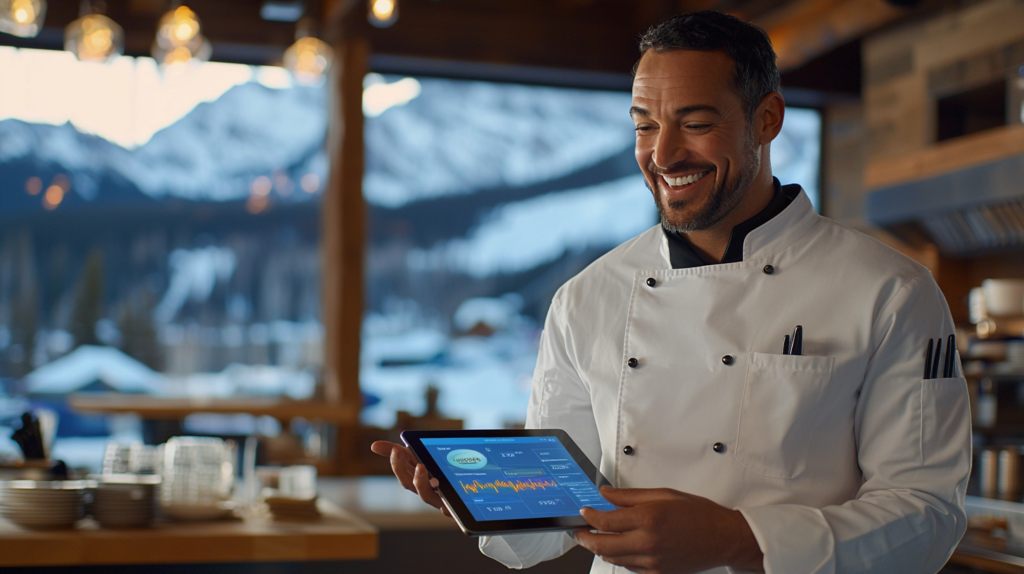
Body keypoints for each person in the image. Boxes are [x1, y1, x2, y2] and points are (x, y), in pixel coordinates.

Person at [372, 10, 971, 574]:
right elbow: (552, 523)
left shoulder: (890, 291)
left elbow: (926, 515)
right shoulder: (586, 298)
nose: (662, 154)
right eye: (645, 125)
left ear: (767, 119)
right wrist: (476, 497)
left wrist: (737, 538)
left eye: (696, 123)